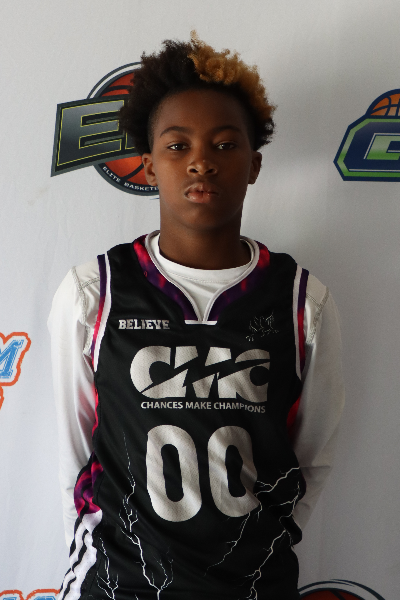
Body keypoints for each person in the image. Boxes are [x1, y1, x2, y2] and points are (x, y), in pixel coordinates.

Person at [48, 33, 344, 600]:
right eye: (177, 145)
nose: (201, 161)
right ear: (149, 165)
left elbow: (312, 456)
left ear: (254, 164)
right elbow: (74, 455)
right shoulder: (94, 293)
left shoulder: (301, 300)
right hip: (120, 584)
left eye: (225, 144)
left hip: (251, 585)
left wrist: (261, 547)